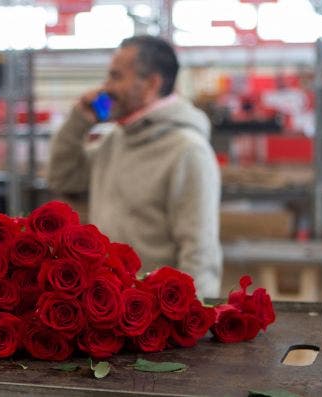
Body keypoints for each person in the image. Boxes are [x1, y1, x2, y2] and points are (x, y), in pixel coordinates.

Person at [47, 35, 222, 297]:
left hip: (153, 317)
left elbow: (200, 252)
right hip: (109, 305)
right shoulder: (116, 140)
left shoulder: (187, 151)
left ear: (151, 84)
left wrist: (191, 322)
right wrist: (79, 121)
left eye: (116, 77)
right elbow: (64, 178)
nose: (106, 87)